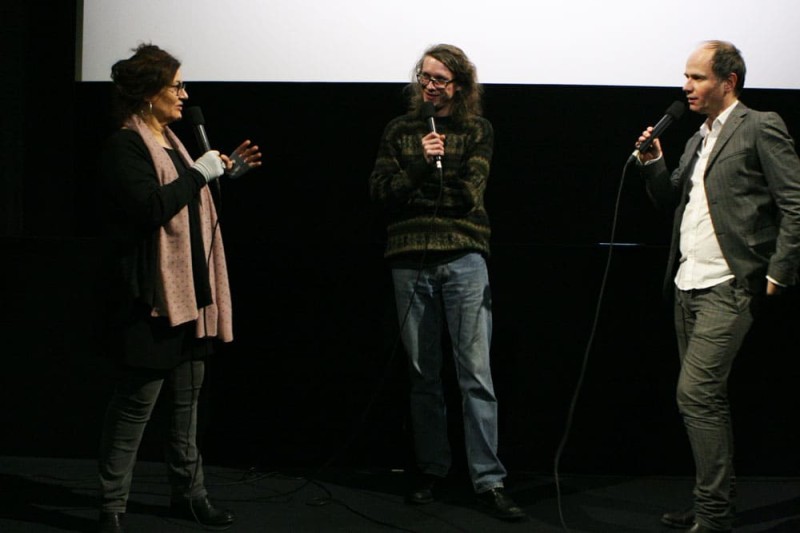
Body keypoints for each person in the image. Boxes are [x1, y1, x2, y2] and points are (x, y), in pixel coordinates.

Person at [635, 40, 800, 533]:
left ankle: (712, 515)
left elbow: (795, 203)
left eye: (697, 77)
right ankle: (716, 503)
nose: (686, 86)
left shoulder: (760, 127)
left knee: (696, 395)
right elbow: (671, 202)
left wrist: (779, 272)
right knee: (707, 399)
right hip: (688, 283)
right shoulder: (696, 138)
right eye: (686, 77)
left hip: (731, 283)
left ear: (727, 82)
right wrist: (652, 161)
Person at [96, 44, 261, 533]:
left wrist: (220, 175)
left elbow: (186, 200)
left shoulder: (174, 141)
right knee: (135, 409)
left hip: (193, 294)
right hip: (152, 299)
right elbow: (150, 208)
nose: (184, 96)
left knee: (187, 410)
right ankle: (111, 507)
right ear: (148, 94)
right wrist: (198, 175)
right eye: (176, 87)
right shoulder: (125, 146)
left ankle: (189, 496)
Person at [368, 43, 525, 522]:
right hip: (409, 261)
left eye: (441, 79)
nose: (431, 86)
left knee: (475, 374)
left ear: (460, 86)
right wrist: (418, 164)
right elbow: (380, 194)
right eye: (425, 77)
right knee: (422, 374)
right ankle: (432, 468)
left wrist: (418, 182)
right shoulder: (400, 132)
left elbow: (467, 196)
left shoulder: (477, 130)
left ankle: (488, 479)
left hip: (463, 258)